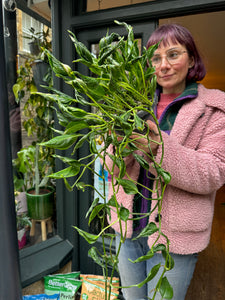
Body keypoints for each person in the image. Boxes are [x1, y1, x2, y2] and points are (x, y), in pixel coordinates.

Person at [104, 23, 225, 299]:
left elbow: (213, 172)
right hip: (129, 227)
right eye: (155, 58)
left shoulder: (213, 109)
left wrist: (159, 146)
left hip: (173, 238)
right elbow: (111, 168)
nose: (163, 65)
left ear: (191, 59)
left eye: (173, 54)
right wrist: (119, 149)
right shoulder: (134, 105)